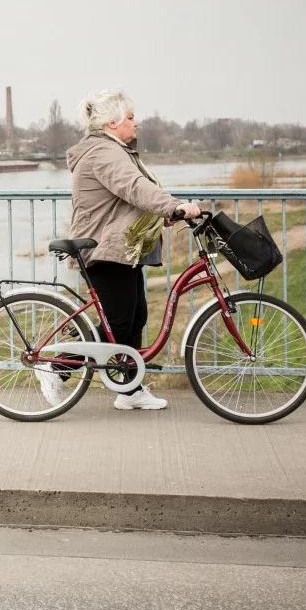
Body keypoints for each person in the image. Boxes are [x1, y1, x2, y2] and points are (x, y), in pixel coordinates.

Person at [65, 89, 201, 410]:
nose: (135, 123)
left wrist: (166, 213)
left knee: (135, 317)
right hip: (104, 250)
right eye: (130, 117)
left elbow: (129, 199)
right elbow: (135, 188)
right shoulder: (104, 152)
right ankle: (58, 371)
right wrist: (175, 207)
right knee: (118, 323)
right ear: (112, 122)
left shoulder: (114, 150)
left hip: (120, 248)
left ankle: (129, 391)